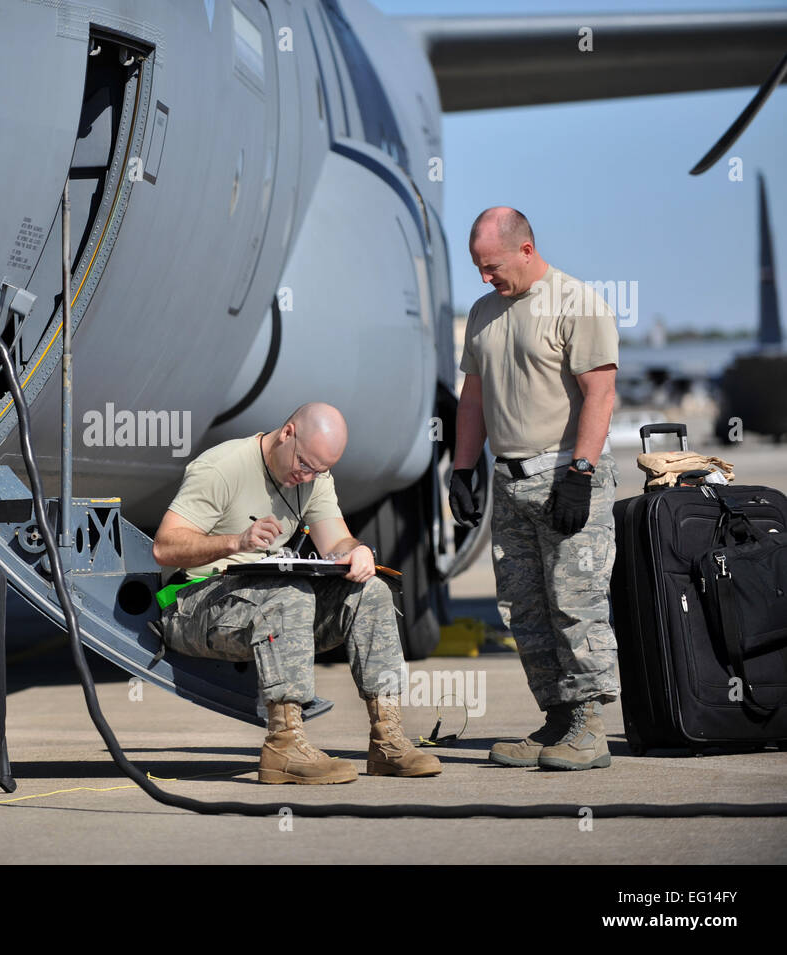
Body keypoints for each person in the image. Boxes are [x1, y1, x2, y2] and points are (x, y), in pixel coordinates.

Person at [151, 402, 442, 784]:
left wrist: (356, 551)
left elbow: (335, 539)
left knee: (369, 592)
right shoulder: (222, 467)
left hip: (263, 602)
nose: (307, 476)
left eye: (320, 471)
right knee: (288, 596)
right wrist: (235, 541)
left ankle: (387, 740)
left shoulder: (313, 477)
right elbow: (165, 547)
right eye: (304, 465)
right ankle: (284, 745)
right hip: (194, 604)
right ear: (287, 433)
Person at [450, 207, 620, 771]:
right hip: (510, 479)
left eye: (491, 265)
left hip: (564, 476)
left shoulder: (576, 302)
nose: (484, 277)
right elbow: (472, 396)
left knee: (575, 604)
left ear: (526, 250)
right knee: (524, 608)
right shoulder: (483, 312)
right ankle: (557, 718)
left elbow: (599, 394)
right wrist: (463, 468)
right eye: (477, 267)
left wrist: (582, 472)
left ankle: (590, 728)